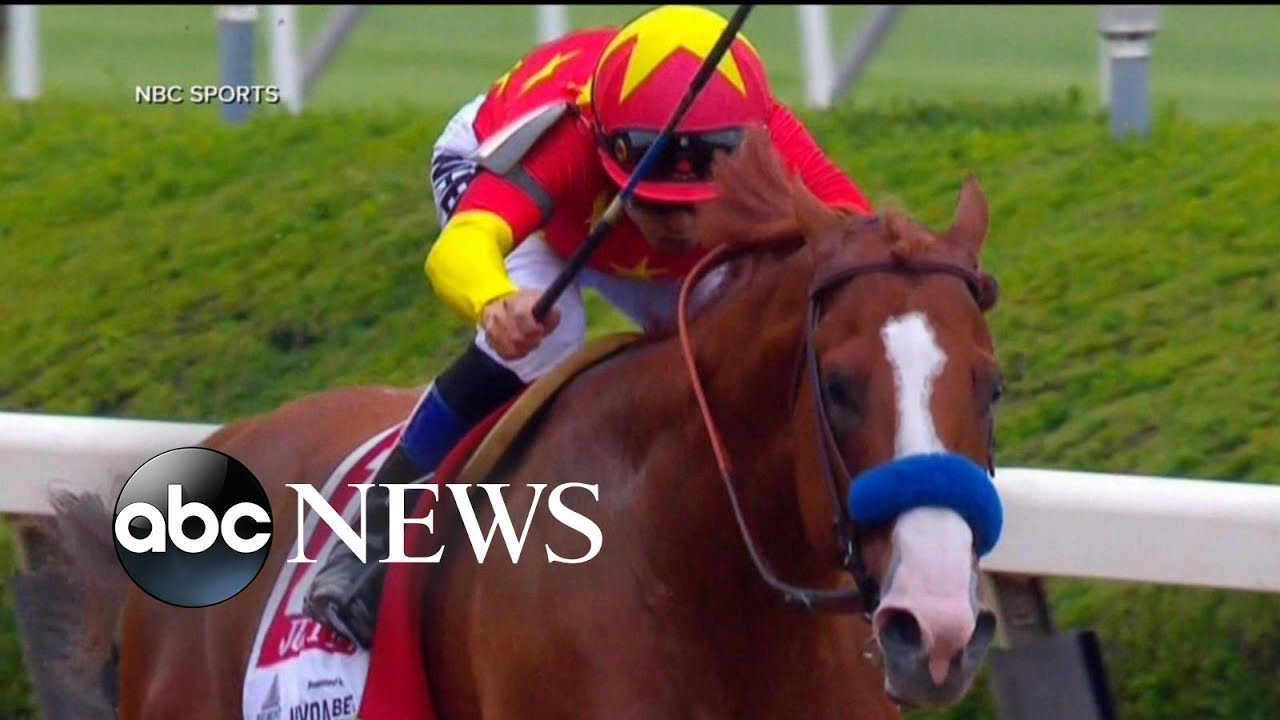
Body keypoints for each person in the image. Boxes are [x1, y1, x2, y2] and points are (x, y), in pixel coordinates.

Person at [304, 3, 876, 649]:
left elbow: (859, 244)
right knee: (546, 339)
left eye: (695, 208)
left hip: (607, 217)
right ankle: (363, 547)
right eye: (657, 206)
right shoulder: (567, 137)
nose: (678, 231)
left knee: (728, 341)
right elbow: (460, 248)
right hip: (518, 188)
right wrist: (494, 300)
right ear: (612, 154)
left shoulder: (770, 135)